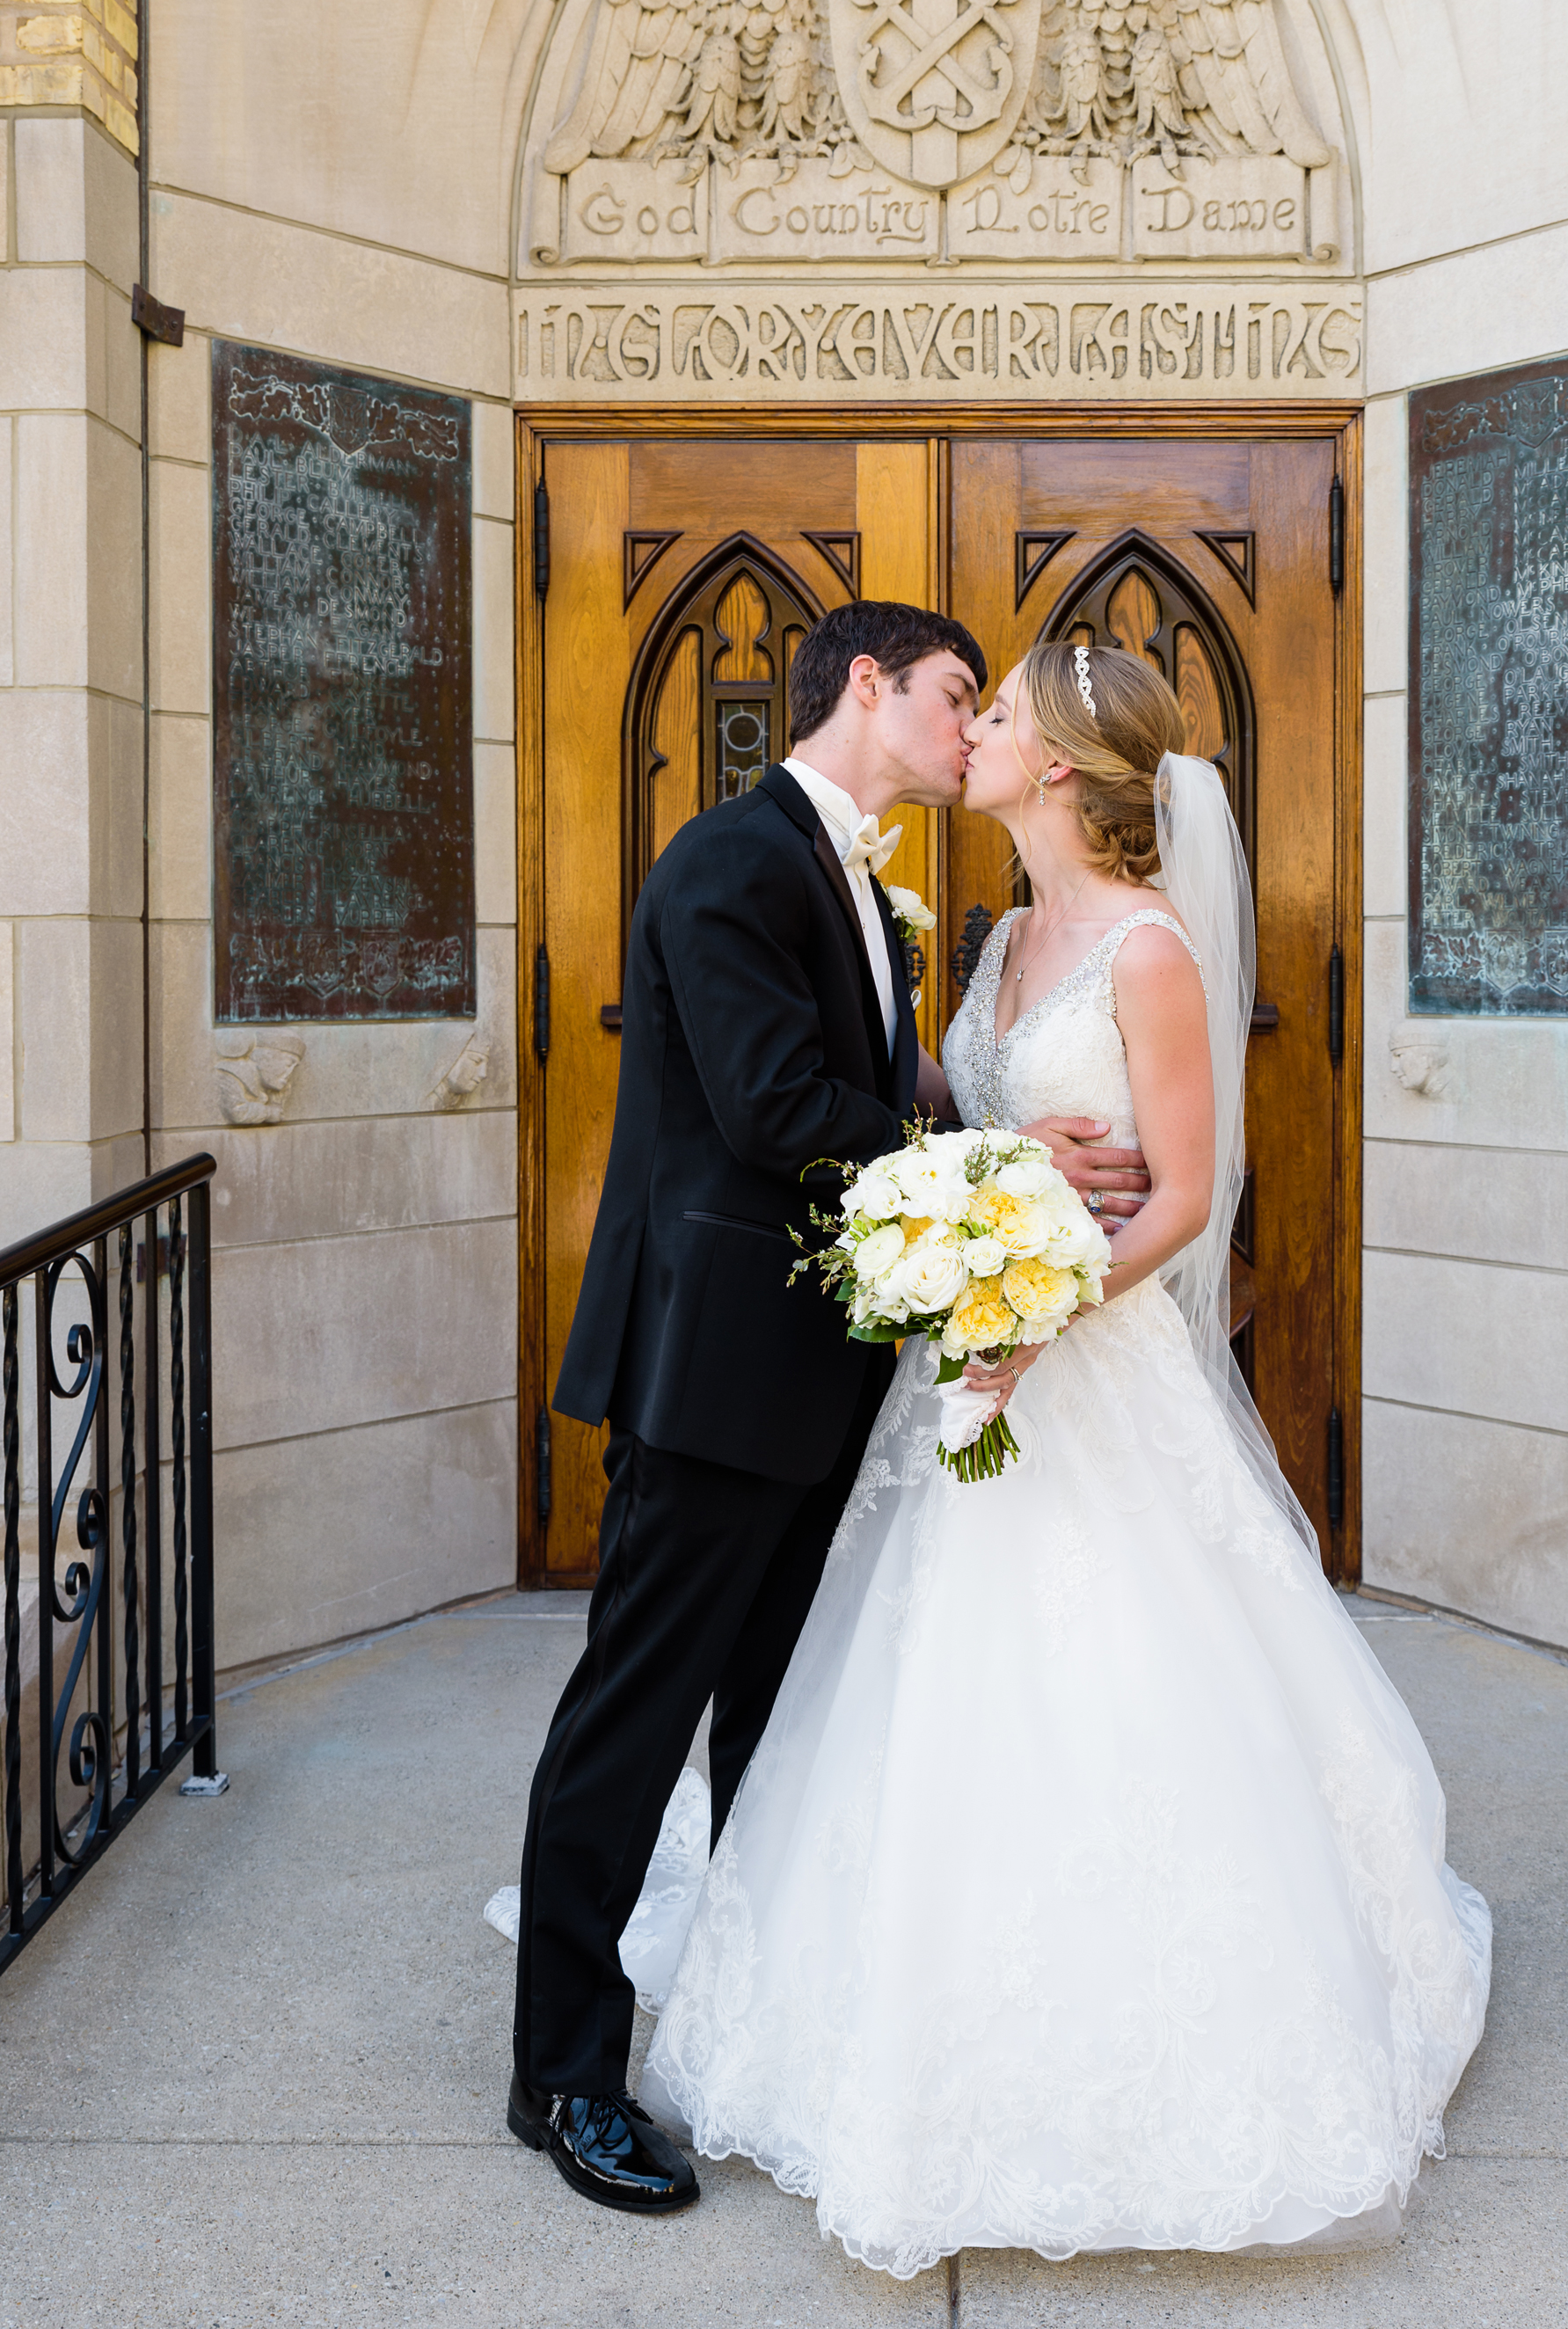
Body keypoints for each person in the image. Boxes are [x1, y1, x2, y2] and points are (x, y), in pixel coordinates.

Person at [638, 639, 1492, 2273]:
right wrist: (970, 1226)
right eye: (972, 702)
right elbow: (969, 1121)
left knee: (1112, 1688)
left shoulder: (1151, 956)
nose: (974, 730)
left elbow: (1178, 1194)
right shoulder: (1008, 933)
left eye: (1002, 712)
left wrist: (1039, 1310)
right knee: (921, 1691)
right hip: (969, 1382)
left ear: (1063, 770)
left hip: (1089, 1379)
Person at [507, 602, 1151, 2213]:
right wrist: (1003, 1167)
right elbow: (777, 1106)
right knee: (634, 1722)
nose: (964, 727)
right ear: (867, 685)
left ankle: (745, 2030)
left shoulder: (874, 889)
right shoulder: (732, 860)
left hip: (823, 1384)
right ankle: (563, 2076)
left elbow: (868, 1080)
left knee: (777, 1734)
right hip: (712, 1377)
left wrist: (962, 1105)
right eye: (951, 696)